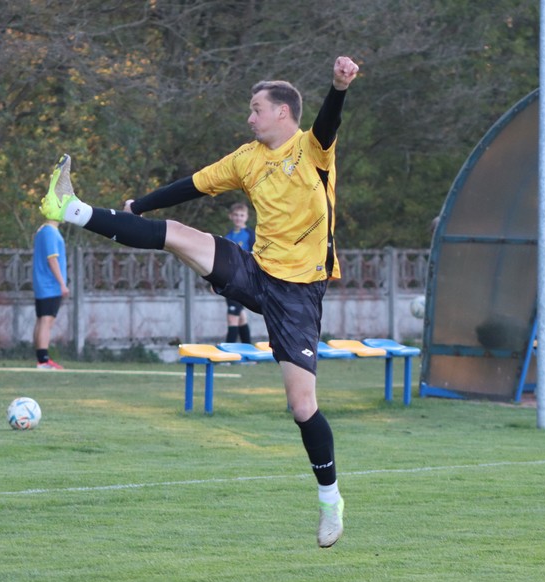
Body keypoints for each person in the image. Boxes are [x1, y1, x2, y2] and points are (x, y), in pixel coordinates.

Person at [39, 56, 359, 547]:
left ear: (283, 113)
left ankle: (330, 499)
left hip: (298, 293)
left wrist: (338, 86)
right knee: (176, 234)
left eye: (256, 109)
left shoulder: (312, 149)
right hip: (256, 271)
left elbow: (329, 122)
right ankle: (70, 208)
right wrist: (141, 205)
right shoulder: (247, 158)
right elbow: (192, 184)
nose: (249, 118)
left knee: (301, 406)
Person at [32, 219, 69, 370]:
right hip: (50, 284)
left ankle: (41, 359)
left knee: (42, 320)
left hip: (43, 284)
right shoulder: (50, 232)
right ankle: (43, 361)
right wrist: (62, 283)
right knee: (47, 321)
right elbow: (52, 259)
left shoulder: (42, 231)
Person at [223, 202, 255, 344]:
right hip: (229, 280)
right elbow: (223, 261)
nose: (238, 218)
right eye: (235, 215)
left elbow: (256, 256)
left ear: (246, 217)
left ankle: (227, 352)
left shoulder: (250, 235)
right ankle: (248, 350)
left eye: (241, 215)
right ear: (230, 216)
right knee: (240, 316)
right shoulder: (227, 236)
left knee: (232, 317)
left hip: (243, 281)